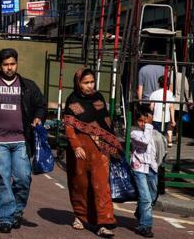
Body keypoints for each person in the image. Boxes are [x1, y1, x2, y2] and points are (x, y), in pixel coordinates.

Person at [0, 48, 47, 233]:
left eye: (12, 64)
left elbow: (40, 105)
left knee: (23, 179)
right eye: (6, 65)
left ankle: (16, 211)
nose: (9, 68)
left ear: (17, 64)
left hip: (21, 140)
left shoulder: (27, 86)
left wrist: (38, 117)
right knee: (3, 180)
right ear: (0, 65)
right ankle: (5, 217)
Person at [63, 67, 123, 237]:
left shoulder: (98, 98)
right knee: (80, 185)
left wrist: (109, 147)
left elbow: (105, 122)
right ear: (78, 83)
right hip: (80, 152)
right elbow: (68, 126)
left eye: (92, 82)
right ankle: (80, 217)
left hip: (101, 151)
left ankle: (104, 223)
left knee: (101, 186)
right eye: (85, 83)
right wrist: (76, 146)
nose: (90, 86)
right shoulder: (72, 100)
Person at [131, 106, 166, 238]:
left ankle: (140, 212)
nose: (143, 124)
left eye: (146, 121)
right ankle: (145, 226)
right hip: (139, 169)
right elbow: (145, 142)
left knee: (151, 197)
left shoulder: (154, 134)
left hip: (152, 169)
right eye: (140, 121)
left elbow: (160, 148)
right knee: (145, 198)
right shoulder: (135, 134)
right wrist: (148, 126)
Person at [149, 76, 176, 147]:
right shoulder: (170, 94)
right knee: (163, 135)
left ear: (159, 83)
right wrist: (173, 120)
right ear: (168, 84)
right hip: (166, 119)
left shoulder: (154, 93)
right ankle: (163, 148)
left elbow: (151, 107)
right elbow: (171, 107)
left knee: (156, 136)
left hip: (156, 118)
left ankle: (157, 148)